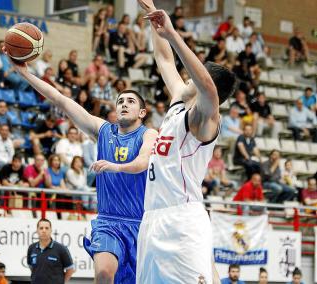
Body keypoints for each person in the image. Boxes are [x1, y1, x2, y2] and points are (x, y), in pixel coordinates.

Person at [6, 42, 157, 283]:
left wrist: (115, 166)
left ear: (142, 112)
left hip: (141, 224)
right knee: (104, 274)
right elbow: (61, 100)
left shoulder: (149, 134)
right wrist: (24, 72)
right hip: (108, 222)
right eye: (120, 101)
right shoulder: (103, 130)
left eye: (130, 101)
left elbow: (142, 162)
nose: (124, 104)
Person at [136, 1, 237, 282]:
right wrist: (153, 14)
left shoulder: (205, 118)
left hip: (182, 220)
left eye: (198, 70)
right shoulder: (179, 100)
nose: (189, 73)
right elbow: (165, 60)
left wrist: (173, 35)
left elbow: (205, 84)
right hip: (152, 219)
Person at [27, 219, 74, 284]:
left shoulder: (61, 249)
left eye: (47, 228)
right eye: (41, 228)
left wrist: (62, 282)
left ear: (51, 230)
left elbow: (70, 269)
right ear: (37, 230)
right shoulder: (31, 248)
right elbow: (32, 268)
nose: (44, 230)